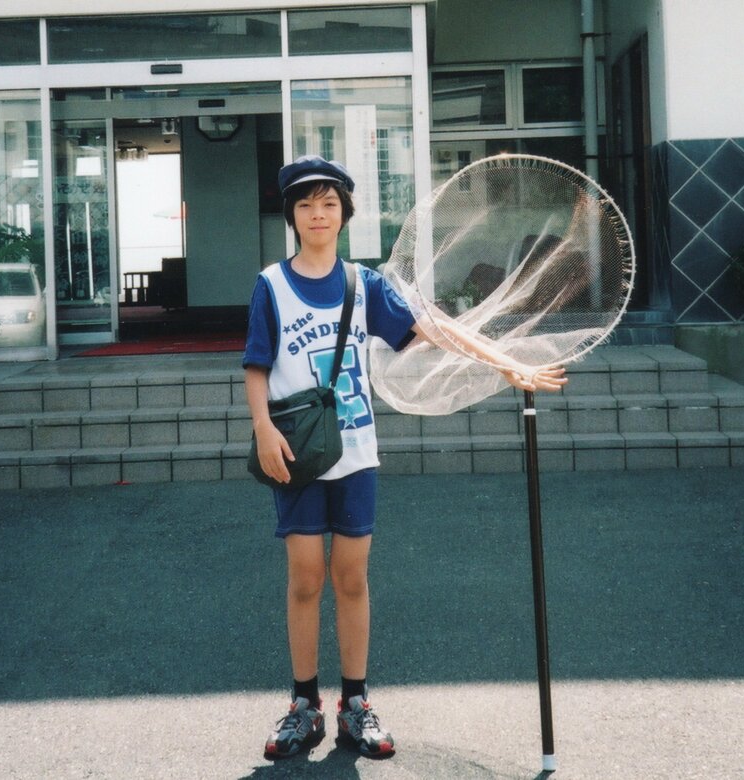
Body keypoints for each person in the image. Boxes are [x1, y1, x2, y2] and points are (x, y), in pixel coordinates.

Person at [243, 155, 567, 761]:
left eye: (329, 203)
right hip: (297, 453)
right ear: (291, 213)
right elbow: (256, 366)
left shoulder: (363, 285)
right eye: (307, 203)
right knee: (306, 579)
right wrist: (262, 427)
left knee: (353, 579)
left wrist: (507, 362)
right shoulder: (271, 285)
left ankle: (356, 704)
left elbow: (435, 328)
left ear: (344, 214)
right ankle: (304, 705)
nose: (318, 213)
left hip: (357, 453)